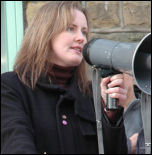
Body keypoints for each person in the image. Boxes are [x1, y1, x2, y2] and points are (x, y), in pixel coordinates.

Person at [1, 2, 128, 154]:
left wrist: (110, 116)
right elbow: (16, 143)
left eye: (84, 32)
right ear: (45, 33)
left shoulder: (91, 93)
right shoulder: (10, 87)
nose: (81, 38)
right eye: (70, 28)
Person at [119, 73, 143, 154]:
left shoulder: (147, 108)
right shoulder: (95, 112)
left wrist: (140, 143)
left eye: (121, 71)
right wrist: (129, 145)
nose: (116, 77)